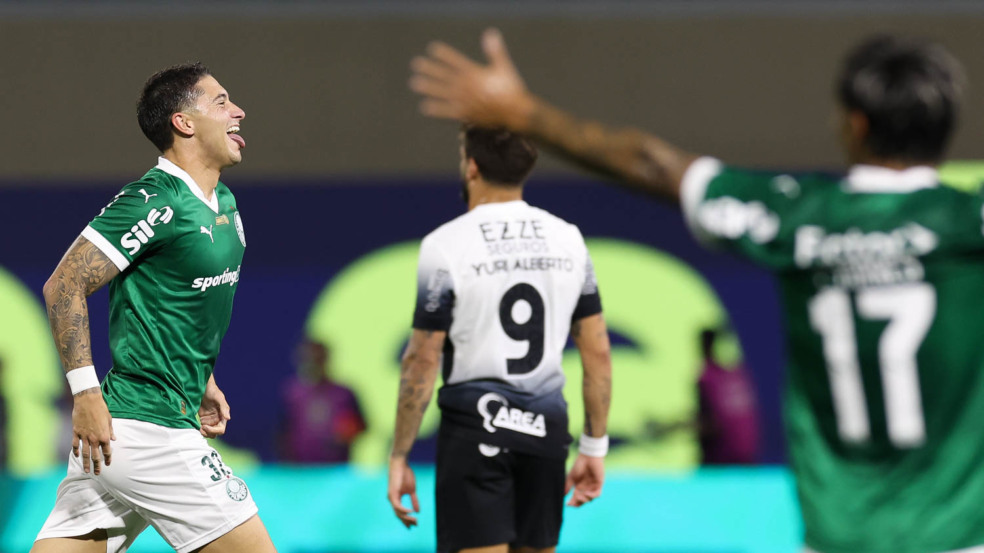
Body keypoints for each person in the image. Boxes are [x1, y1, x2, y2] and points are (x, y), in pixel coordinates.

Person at [409, 30, 978, 553]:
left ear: (854, 123)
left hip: (838, 536)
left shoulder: (796, 218)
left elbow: (652, 164)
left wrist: (524, 113)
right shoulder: (968, 224)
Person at [33, 63, 276, 553]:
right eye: (222, 102)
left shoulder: (222, 201)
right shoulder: (153, 201)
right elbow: (63, 286)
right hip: (149, 430)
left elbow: (179, 301)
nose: (239, 112)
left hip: (131, 432)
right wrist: (84, 396)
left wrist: (201, 379)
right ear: (184, 123)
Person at [387, 126, 613, 553]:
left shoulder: (445, 244)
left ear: (472, 166)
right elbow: (598, 352)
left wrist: (400, 454)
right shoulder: (569, 239)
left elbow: (421, 358)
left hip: (475, 430)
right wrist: (594, 447)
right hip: (546, 430)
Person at [279, 339, 366, 463]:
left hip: (335, 468)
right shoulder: (291, 393)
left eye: (317, 359)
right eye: (308, 359)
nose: (312, 364)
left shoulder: (344, 394)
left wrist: (346, 433)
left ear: (326, 359)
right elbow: (280, 433)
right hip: (298, 470)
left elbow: (361, 426)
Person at [696, 326, 759, 465]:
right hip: (748, 460)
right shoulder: (739, 375)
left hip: (722, 461)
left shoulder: (707, 378)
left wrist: (667, 431)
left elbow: (711, 425)